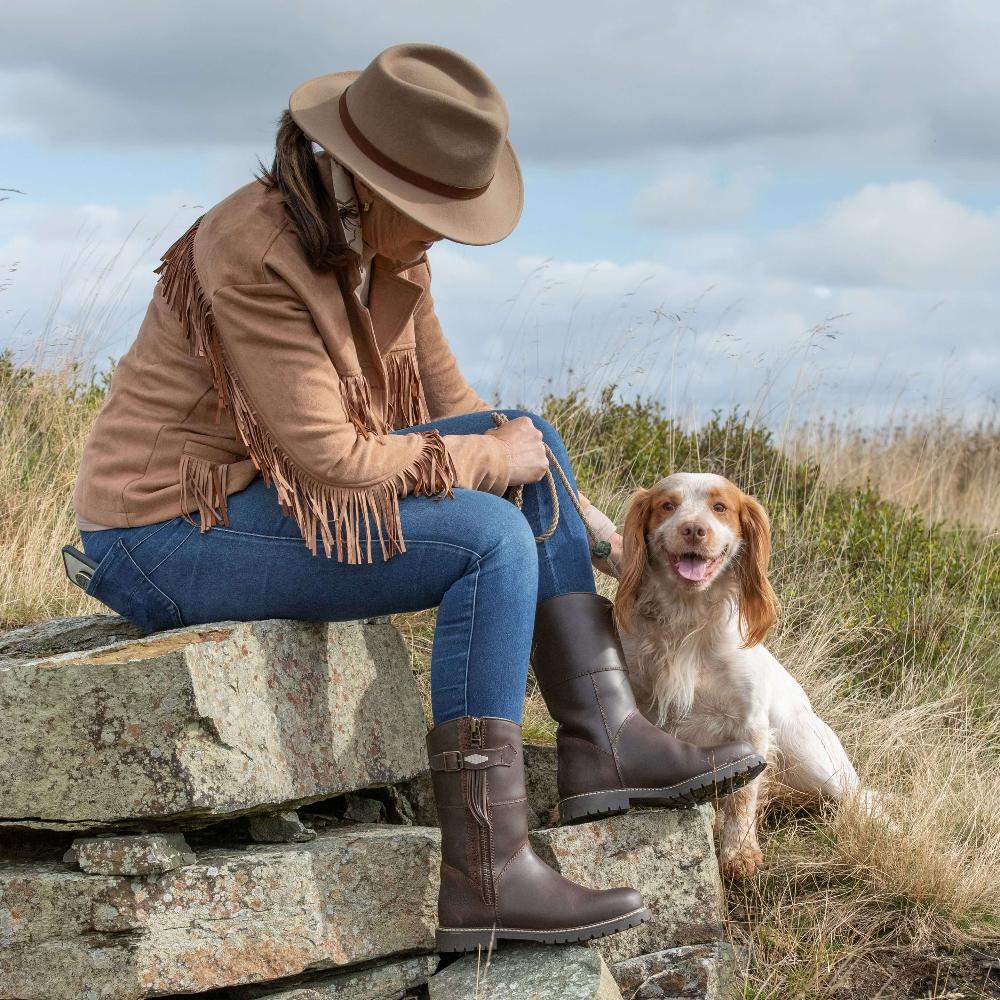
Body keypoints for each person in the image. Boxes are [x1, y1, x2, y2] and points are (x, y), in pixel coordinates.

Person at [72, 42, 765, 951]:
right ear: (371, 182)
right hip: (168, 531)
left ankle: (605, 741)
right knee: (487, 537)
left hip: (264, 501)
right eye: (436, 211)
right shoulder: (255, 249)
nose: (446, 233)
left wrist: (590, 521)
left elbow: (466, 414)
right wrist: (486, 460)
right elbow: (332, 458)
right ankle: (488, 875)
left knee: (525, 434)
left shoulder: (387, 249)